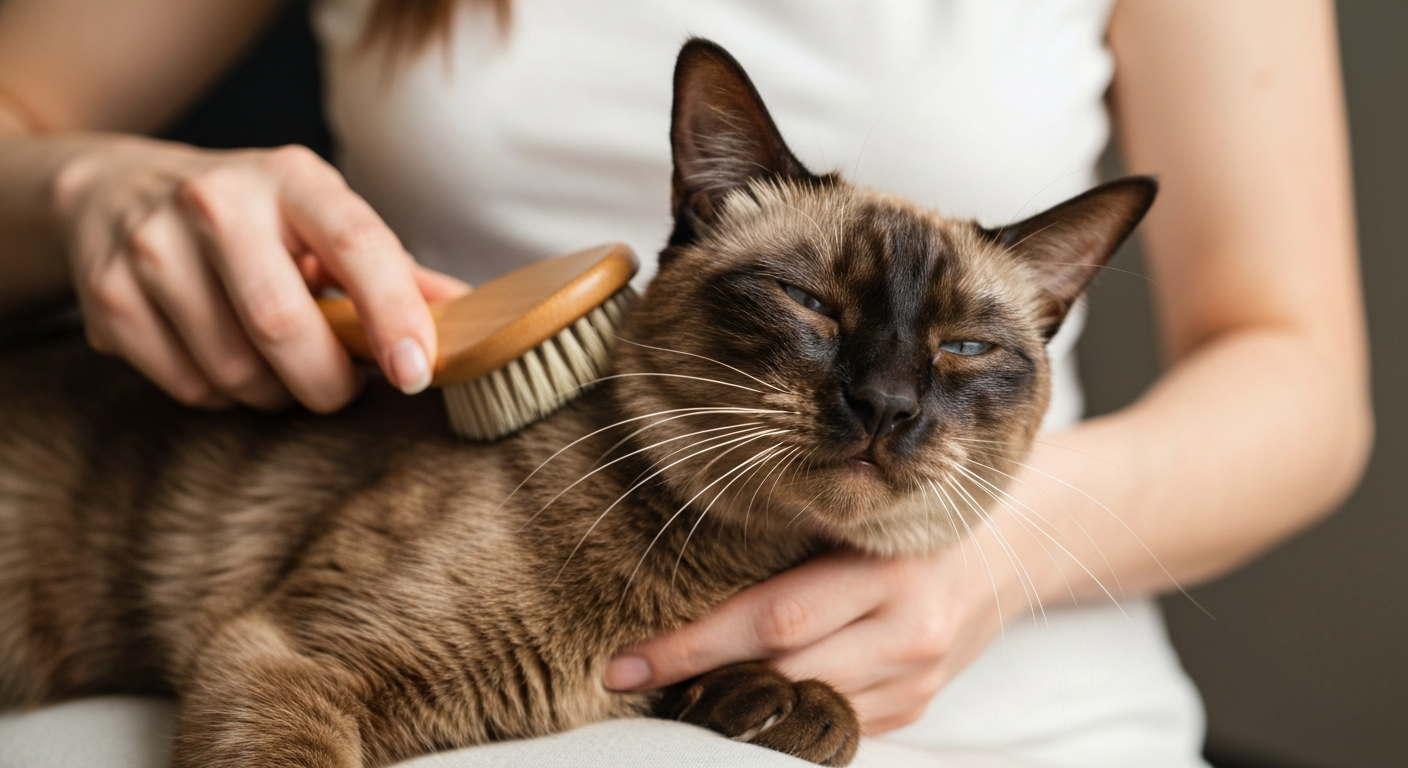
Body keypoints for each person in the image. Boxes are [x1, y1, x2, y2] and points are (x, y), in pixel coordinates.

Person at [0, 1, 1371, 766]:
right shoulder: (537, 543)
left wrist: (990, 565)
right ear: (697, 224)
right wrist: (88, 185)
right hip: (494, 477)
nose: (889, 405)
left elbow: (1302, 373)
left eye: (961, 365)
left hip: (1010, 706)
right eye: (814, 324)